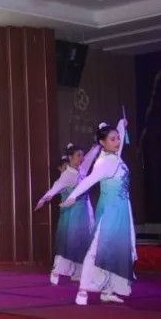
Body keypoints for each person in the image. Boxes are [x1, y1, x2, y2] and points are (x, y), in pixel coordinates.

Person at [63, 118, 135, 305]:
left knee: (116, 249)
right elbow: (88, 180)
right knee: (98, 247)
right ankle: (83, 289)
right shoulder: (103, 163)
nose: (117, 142)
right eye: (113, 139)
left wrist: (121, 123)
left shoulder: (115, 156)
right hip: (109, 210)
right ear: (102, 143)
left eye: (117, 138)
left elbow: (119, 139)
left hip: (122, 210)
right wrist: (73, 196)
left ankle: (108, 290)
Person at [35, 143, 94, 285]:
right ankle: (58, 270)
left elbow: (91, 157)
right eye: (78, 155)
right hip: (74, 213)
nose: (81, 158)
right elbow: (55, 189)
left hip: (85, 211)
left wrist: (97, 146)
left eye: (82, 155)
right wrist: (43, 199)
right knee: (72, 242)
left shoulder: (82, 169)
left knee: (83, 242)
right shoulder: (67, 175)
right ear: (70, 157)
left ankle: (78, 272)